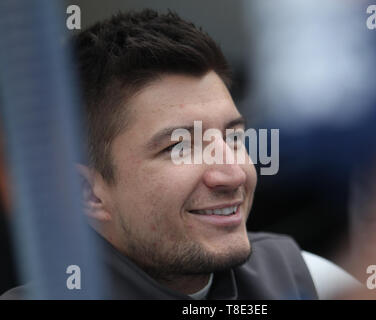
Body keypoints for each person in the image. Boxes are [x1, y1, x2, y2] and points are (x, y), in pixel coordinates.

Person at [1, 9, 357, 300]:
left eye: (233, 137)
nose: (234, 174)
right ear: (88, 192)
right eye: (180, 147)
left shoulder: (311, 283)